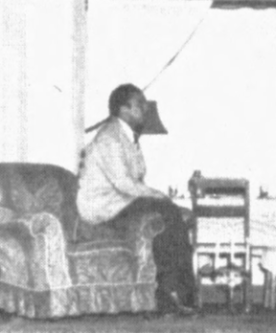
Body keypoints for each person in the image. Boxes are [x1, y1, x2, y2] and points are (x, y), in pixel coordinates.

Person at [76, 83, 199, 315]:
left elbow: (135, 180)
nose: (145, 109)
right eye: (140, 105)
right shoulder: (109, 138)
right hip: (102, 206)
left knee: (168, 218)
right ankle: (179, 293)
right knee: (166, 210)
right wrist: (159, 196)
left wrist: (160, 199)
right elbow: (124, 184)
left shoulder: (128, 137)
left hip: (118, 201)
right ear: (123, 110)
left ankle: (170, 293)